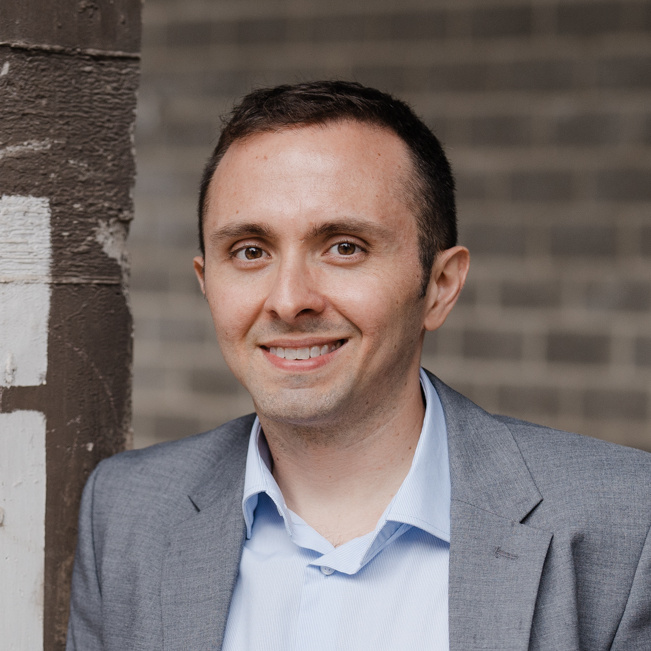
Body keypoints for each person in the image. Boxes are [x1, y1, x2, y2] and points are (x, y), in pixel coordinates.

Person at [67, 81, 651, 650]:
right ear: (206, 282)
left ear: (440, 286)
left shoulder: (626, 521)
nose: (289, 300)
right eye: (250, 251)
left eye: (344, 247)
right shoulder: (127, 511)